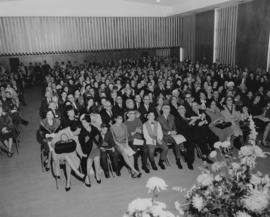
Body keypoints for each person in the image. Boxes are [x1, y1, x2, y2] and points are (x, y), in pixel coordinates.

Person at [50, 121, 86, 191]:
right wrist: (62, 144)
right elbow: (52, 143)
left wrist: (81, 154)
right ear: (74, 130)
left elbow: (77, 145)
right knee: (67, 156)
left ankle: (68, 181)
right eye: (78, 131)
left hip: (70, 153)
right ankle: (78, 173)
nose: (80, 132)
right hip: (59, 153)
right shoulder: (62, 132)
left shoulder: (75, 135)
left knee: (68, 161)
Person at [157, 104, 186, 169]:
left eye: (168, 108)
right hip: (163, 137)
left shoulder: (172, 116)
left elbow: (174, 127)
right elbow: (159, 131)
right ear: (162, 109)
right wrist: (169, 132)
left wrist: (175, 131)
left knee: (177, 142)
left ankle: (178, 160)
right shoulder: (159, 118)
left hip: (172, 136)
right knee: (166, 148)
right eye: (165, 108)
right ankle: (160, 161)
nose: (167, 110)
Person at [79, 114, 101, 186]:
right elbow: (82, 144)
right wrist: (85, 152)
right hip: (88, 151)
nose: (83, 124)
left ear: (89, 122)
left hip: (96, 149)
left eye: (85, 122)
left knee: (97, 164)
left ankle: (97, 174)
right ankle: (87, 178)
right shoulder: (82, 132)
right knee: (88, 167)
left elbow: (100, 138)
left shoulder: (94, 128)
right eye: (82, 123)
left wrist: (99, 145)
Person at [124, 109, 149, 173]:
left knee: (145, 149)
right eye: (131, 114)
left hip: (138, 139)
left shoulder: (138, 120)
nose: (133, 115)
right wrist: (135, 131)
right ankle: (136, 166)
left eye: (134, 113)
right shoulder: (125, 123)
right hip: (131, 140)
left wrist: (139, 131)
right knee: (135, 152)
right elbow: (128, 135)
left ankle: (144, 165)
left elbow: (142, 131)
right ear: (128, 115)